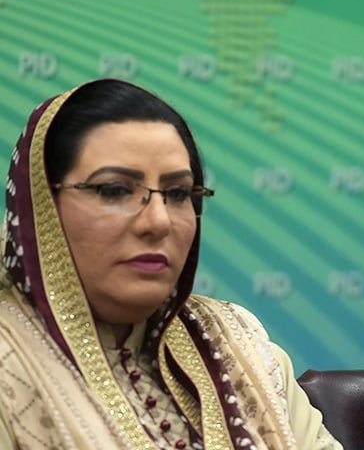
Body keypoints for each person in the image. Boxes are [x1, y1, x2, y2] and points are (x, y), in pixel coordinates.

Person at [0, 79, 342, 450]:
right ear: (41, 207)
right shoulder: (9, 360)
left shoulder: (244, 346)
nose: (158, 222)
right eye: (114, 190)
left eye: (178, 194)